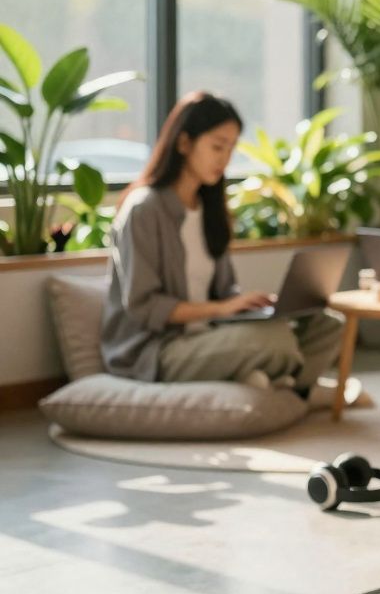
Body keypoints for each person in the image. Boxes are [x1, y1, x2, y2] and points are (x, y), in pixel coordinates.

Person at [101, 91, 355, 405]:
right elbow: (143, 305)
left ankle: (269, 386)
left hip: (211, 334)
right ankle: (285, 388)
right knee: (273, 341)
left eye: (232, 148)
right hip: (157, 349)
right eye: (217, 146)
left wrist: (252, 307)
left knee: (328, 325)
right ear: (184, 144)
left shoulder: (209, 208)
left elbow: (223, 290)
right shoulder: (143, 210)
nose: (225, 158)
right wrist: (222, 310)